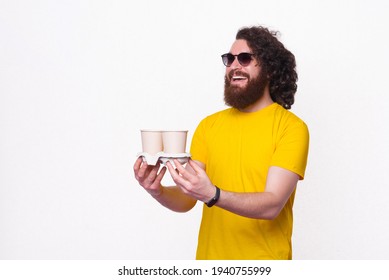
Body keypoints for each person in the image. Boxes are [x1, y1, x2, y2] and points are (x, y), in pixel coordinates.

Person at [133, 26, 309, 260]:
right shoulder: (209, 126)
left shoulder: (291, 127)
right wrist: (158, 190)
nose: (234, 66)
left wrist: (213, 194)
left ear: (269, 69)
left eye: (245, 58)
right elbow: (188, 198)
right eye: (229, 59)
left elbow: (272, 204)